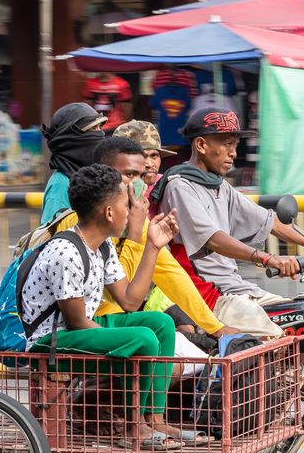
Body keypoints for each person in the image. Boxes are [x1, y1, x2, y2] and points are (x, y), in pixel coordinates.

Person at [21, 164, 191, 449]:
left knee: (160, 325)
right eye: (127, 204)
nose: (133, 210)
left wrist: (152, 246)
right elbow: (77, 323)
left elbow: (129, 301)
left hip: (80, 329)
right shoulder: (66, 253)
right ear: (109, 213)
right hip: (51, 342)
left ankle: (155, 418)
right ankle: (132, 426)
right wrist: (123, 340)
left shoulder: (102, 246)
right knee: (142, 337)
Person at [151, 107, 304, 336]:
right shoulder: (181, 186)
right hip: (211, 296)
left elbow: (271, 222)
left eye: (235, 145)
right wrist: (270, 259)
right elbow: (213, 239)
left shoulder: (218, 185)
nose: (233, 153)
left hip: (237, 289)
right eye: (226, 144)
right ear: (200, 145)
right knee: (281, 341)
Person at [91, 133, 238, 343]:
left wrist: (215, 326)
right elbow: (124, 297)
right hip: (96, 322)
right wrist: (135, 235)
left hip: (122, 319)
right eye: (129, 175)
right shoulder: (89, 221)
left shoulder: (136, 221)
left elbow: (170, 272)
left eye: (140, 176)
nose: (138, 184)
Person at [40, 103, 106, 224]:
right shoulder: (61, 186)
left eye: (100, 127)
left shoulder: (94, 178)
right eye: (92, 129)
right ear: (71, 140)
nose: (99, 134)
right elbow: (50, 240)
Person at [113, 119, 177, 200]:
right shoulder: (108, 192)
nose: (150, 164)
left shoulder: (169, 186)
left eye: (154, 155)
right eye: (142, 156)